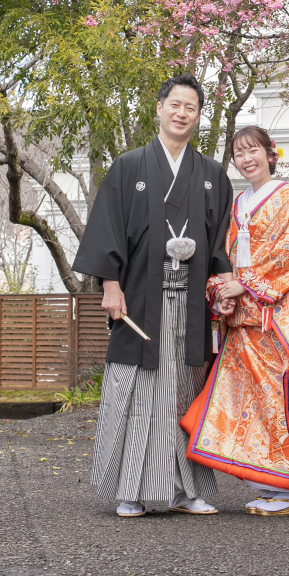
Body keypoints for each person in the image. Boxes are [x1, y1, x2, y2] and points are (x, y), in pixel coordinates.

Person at [72, 74, 234, 517]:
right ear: (159, 109)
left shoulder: (212, 175)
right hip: (141, 299)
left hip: (192, 303)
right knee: (137, 390)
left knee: (185, 389)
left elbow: (221, 241)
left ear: (198, 117)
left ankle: (185, 490)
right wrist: (110, 285)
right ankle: (132, 490)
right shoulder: (129, 167)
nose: (182, 113)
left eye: (191, 108)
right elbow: (107, 227)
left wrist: (224, 287)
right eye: (175, 105)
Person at [181, 125, 289, 515]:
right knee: (251, 404)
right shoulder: (237, 203)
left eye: (253, 150)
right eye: (239, 153)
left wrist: (243, 284)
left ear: (270, 155)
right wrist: (221, 292)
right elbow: (224, 256)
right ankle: (270, 484)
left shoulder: (286, 197)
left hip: (276, 316)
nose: (247, 159)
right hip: (244, 317)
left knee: (279, 400)